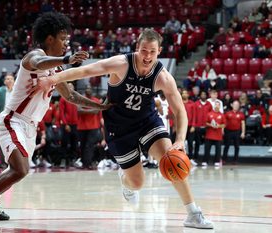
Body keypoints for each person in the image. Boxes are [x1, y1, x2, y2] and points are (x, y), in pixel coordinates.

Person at [35, 28, 213, 229]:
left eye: (152, 52)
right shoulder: (121, 63)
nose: (147, 56)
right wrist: (52, 79)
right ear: (138, 47)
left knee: (170, 159)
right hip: (118, 127)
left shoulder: (163, 77)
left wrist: (179, 140)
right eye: (144, 50)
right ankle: (126, 180)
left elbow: (180, 111)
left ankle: (193, 213)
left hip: (147, 122)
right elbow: (85, 70)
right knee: (137, 183)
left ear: (159, 51)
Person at [0, 12, 109, 226]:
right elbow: (40, 63)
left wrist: (101, 106)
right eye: (63, 39)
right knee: (20, 169)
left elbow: (71, 96)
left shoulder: (57, 70)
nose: (66, 43)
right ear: (50, 39)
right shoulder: (33, 57)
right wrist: (67, 60)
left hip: (30, 126)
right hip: (13, 120)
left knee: (16, 171)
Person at [202, 101, 226, 167]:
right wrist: (211, 125)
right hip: (209, 135)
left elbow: (224, 124)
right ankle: (205, 161)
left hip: (218, 136)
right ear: (214, 105)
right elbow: (205, 123)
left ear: (220, 106)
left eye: (218, 105)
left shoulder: (222, 115)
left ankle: (217, 161)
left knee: (218, 150)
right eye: (216, 105)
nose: (217, 106)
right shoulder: (209, 114)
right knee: (207, 149)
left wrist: (219, 126)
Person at [222, 100, 245, 164]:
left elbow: (243, 123)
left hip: (237, 132)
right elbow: (224, 122)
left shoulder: (241, 114)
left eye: (237, 105)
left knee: (237, 146)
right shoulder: (227, 113)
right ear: (232, 105)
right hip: (228, 131)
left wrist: (243, 132)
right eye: (235, 105)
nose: (236, 106)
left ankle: (235, 160)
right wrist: (222, 130)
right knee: (227, 146)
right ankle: (224, 159)